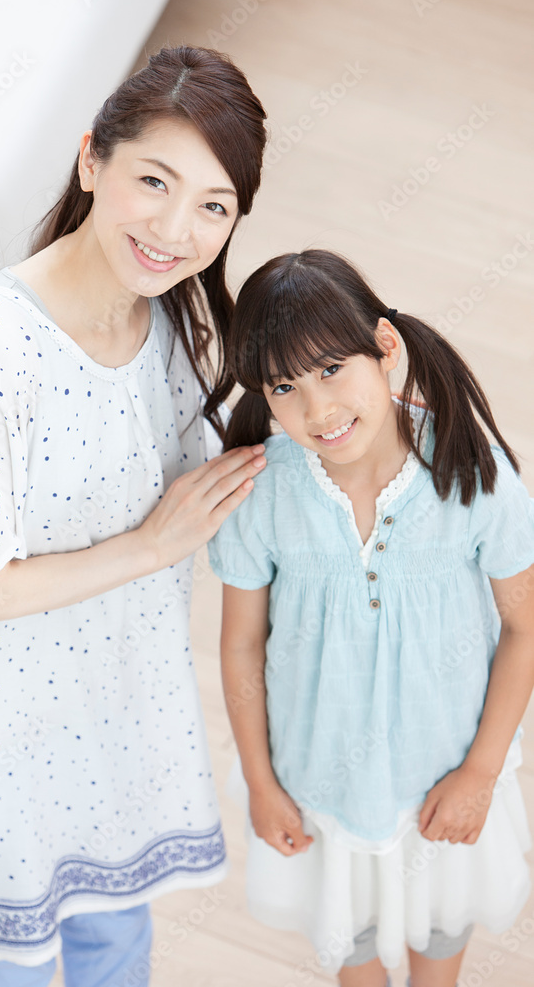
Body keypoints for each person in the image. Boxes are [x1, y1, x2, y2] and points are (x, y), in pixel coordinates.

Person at [0, 46, 268, 987]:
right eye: (153, 181)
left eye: (213, 206)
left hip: (104, 702)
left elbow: (194, 477)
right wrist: (152, 547)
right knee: (12, 963)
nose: (174, 230)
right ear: (91, 159)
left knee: (115, 945)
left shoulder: (165, 316)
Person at [207, 249, 534, 987]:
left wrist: (481, 772)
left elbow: (524, 627)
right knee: (349, 946)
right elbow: (240, 645)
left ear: (385, 347)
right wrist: (260, 781)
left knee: (442, 931)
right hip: (319, 781)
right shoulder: (263, 493)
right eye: (284, 387)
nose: (317, 409)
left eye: (331, 369)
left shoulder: (472, 473)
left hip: (444, 774)